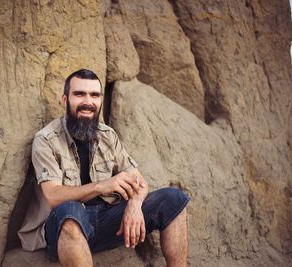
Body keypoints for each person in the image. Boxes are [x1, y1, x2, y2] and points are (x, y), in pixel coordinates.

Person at [18, 69, 190, 267]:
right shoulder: (46, 140)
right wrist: (101, 186)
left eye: (94, 95)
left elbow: (139, 182)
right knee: (69, 211)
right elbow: (53, 196)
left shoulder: (107, 135)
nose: (87, 102)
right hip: (62, 228)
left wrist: (134, 205)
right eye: (79, 94)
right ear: (65, 100)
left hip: (106, 220)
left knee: (174, 199)